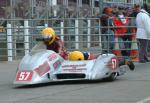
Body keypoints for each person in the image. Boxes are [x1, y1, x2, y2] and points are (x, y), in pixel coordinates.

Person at [68, 51, 135, 71]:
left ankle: (126, 61)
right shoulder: (72, 56)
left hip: (96, 58)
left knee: (107, 63)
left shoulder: (89, 58)